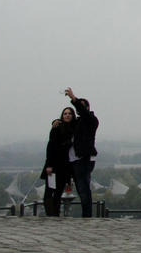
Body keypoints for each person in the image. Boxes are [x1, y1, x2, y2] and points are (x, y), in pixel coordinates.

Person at [65, 87, 99, 217]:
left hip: (84, 158)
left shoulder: (91, 120)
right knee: (80, 188)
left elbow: (83, 112)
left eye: (82, 107)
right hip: (76, 159)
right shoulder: (79, 122)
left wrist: (74, 99)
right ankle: (86, 215)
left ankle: (87, 215)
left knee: (84, 188)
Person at [41, 109, 75, 216]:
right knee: (49, 191)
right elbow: (51, 147)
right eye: (65, 114)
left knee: (59, 191)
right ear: (62, 116)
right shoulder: (57, 128)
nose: (67, 115)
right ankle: (50, 214)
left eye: (69, 113)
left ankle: (55, 214)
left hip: (64, 166)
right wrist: (49, 165)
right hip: (54, 164)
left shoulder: (74, 128)